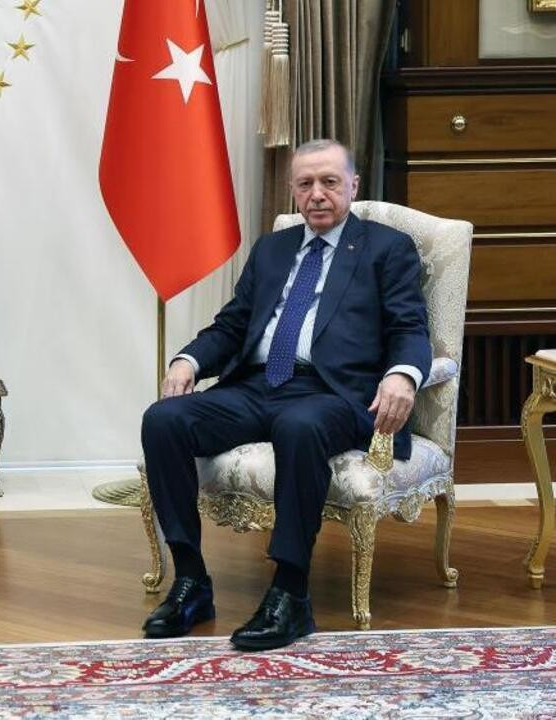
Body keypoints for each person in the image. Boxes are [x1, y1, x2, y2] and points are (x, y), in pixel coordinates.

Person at [139, 139, 430, 651]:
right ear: (293, 190)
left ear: (353, 186)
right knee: (164, 419)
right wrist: (188, 360)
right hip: (258, 385)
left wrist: (403, 375)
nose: (317, 194)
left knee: (299, 425)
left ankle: (291, 593)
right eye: (305, 184)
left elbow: (409, 326)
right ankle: (191, 580)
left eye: (329, 182)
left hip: (334, 392)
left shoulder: (387, 248)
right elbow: (232, 326)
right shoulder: (272, 249)